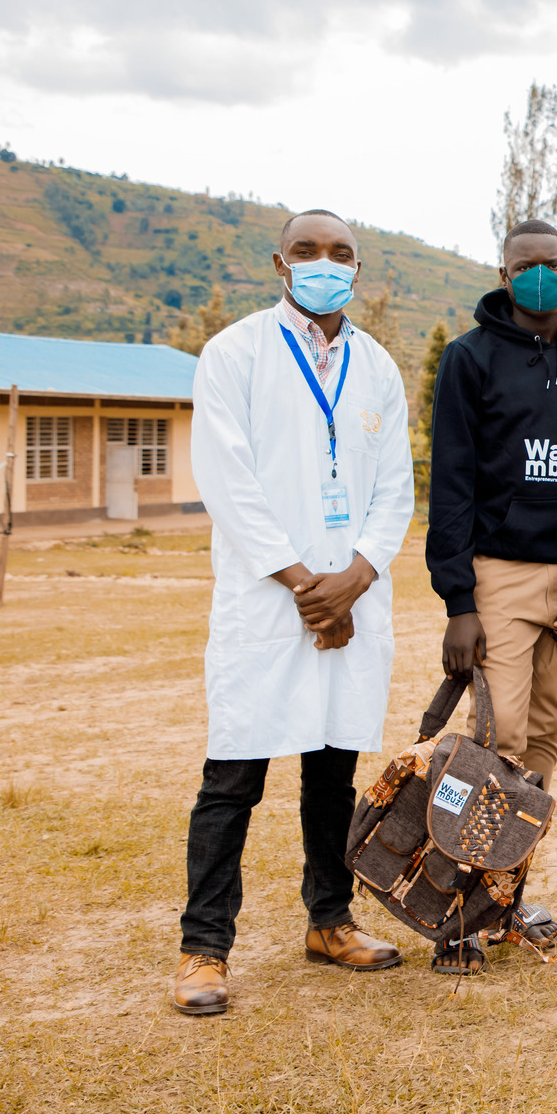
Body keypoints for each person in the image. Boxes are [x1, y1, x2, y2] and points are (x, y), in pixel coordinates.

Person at [173, 209, 414, 1015]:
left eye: (340, 252)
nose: (324, 263)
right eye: (307, 251)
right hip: (267, 601)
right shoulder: (235, 352)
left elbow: (392, 490)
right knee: (233, 778)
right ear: (281, 263)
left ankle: (329, 921)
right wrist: (305, 584)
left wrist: (355, 578)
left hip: (351, 597)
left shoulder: (377, 365)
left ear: (358, 268)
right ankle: (204, 948)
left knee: (332, 772)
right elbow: (227, 477)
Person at [424, 218, 557, 974]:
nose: (542, 274)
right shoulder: (469, 360)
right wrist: (459, 600)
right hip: (498, 573)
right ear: (503, 274)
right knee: (491, 743)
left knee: (540, 743)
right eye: (527, 264)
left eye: (556, 263)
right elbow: (453, 482)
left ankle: (505, 895)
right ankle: (459, 915)